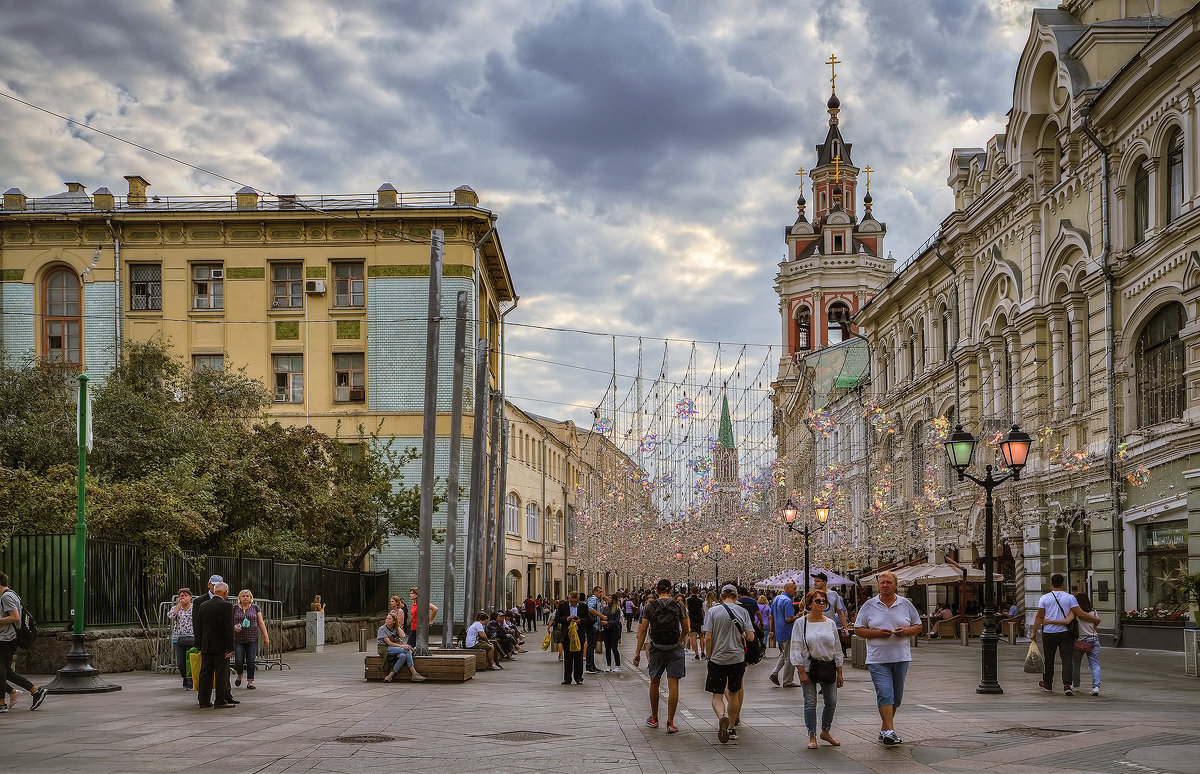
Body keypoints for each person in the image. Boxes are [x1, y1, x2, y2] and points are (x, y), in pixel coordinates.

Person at [853, 570, 922, 745]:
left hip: (901, 656)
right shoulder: (869, 605)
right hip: (877, 658)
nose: (885, 586)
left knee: (896, 697)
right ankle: (890, 731)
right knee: (885, 693)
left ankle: (885, 729)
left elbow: (918, 625)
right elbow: (858, 629)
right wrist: (876, 633)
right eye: (882, 583)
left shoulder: (905, 604)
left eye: (888, 583)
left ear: (895, 585)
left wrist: (906, 631)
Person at [633, 578, 688, 733]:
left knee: (654, 683)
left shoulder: (650, 606)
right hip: (674, 648)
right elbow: (686, 628)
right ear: (671, 591)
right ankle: (670, 723)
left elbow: (643, 631)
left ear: (657, 591)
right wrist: (680, 641)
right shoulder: (679, 605)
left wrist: (638, 653)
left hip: (656, 648)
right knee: (673, 685)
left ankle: (654, 718)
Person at [791, 590, 844, 748]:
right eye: (818, 601)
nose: (821, 604)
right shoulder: (801, 623)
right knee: (810, 703)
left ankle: (825, 731)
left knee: (832, 701)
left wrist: (840, 672)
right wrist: (800, 671)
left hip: (828, 666)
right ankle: (812, 736)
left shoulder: (830, 623)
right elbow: (795, 647)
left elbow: (836, 647)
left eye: (824, 601)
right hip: (808, 667)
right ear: (809, 604)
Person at [702, 584, 754, 744]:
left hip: (717, 658)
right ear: (736, 596)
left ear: (721, 596)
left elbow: (708, 637)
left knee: (717, 695)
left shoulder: (712, 611)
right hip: (737, 658)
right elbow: (751, 637)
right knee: (734, 692)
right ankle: (731, 727)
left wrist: (708, 654)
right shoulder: (743, 611)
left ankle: (721, 716)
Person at [0, 572, 49, 712]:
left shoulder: (6, 597)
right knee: (5, 671)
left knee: (2, 670)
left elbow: (15, 618)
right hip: (8, 638)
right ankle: (34, 691)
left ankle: (2, 703)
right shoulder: (12, 594)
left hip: (7, 639)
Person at [1032, 573, 1088, 695]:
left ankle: (1048, 684)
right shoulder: (1070, 598)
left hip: (1049, 633)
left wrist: (1033, 632)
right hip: (1065, 633)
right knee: (1067, 659)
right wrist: (1095, 620)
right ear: (1063, 583)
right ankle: (1067, 685)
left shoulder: (1044, 598)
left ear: (1051, 584)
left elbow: (1039, 617)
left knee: (1049, 659)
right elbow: (1079, 613)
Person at [196, 582, 236, 709]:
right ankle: (220, 700)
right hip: (221, 646)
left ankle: (204, 701)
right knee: (221, 673)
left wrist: (199, 644)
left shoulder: (203, 605)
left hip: (206, 645)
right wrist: (230, 647)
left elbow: (198, 626)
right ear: (225, 593)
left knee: (205, 673)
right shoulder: (227, 606)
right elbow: (228, 628)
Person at [232, 589, 269, 690]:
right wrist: (234, 627)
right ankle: (239, 675)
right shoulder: (234, 608)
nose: (245, 598)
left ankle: (250, 682)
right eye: (243, 596)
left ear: (251, 598)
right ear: (239, 598)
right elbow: (228, 621)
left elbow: (261, 622)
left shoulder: (255, 608)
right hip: (238, 638)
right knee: (239, 660)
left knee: (251, 660)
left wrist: (266, 636)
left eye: (247, 596)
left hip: (252, 638)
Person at [768, 581, 801, 688]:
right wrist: (798, 616)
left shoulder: (776, 599)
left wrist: (772, 630)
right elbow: (788, 618)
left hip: (779, 631)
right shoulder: (787, 601)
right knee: (789, 658)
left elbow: (771, 616)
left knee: (784, 654)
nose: (795, 591)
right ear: (787, 589)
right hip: (787, 631)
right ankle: (787, 681)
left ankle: (774, 672)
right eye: (794, 589)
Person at [377, 612, 426, 682]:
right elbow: (389, 643)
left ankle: (390, 676)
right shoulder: (382, 629)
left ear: (394, 621)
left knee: (403, 656)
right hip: (384, 648)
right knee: (406, 650)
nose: (386, 620)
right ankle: (414, 674)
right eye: (386, 618)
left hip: (393, 648)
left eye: (389, 619)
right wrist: (403, 646)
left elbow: (402, 635)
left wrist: (397, 626)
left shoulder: (394, 628)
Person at [1070, 592, 1102, 696]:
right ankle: (1096, 686)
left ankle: (1076, 685)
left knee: (1076, 664)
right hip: (1093, 640)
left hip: (1079, 641)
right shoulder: (1094, 612)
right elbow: (1095, 625)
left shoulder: (1075, 613)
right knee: (1094, 664)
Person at [812, 572, 850, 656]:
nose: (815, 583)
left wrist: (845, 628)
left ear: (824, 582)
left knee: (832, 651)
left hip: (830, 627)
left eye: (817, 581)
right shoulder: (812, 595)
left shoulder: (833, 594)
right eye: (814, 581)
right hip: (815, 627)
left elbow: (840, 612)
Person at [166, 587, 196, 689]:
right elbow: (171, 616)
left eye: (186, 596)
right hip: (179, 638)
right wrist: (179, 605)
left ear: (190, 597)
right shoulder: (176, 608)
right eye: (181, 596)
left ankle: (190, 680)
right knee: (181, 662)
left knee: (190, 660)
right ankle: (184, 677)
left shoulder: (194, 608)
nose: (183, 598)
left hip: (191, 637)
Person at [555, 596, 585, 684]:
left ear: (578, 600)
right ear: (569, 599)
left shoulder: (583, 606)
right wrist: (567, 618)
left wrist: (580, 621)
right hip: (567, 634)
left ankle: (578, 678)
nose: (573, 603)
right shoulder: (563, 606)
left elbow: (589, 619)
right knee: (567, 658)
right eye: (571, 601)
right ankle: (567, 678)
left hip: (579, 634)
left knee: (578, 658)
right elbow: (557, 618)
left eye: (575, 602)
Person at [584, 585, 608, 674]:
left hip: (596, 625)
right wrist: (601, 616)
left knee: (593, 646)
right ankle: (589, 666)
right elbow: (590, 609)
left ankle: (592, 665)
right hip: (592, 626)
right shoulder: (593, 599)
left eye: (602, 592)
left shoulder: (597, 600)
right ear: (595, 592)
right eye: (600, 592)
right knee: (591, 646)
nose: (601, 594)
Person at [601, 593, 624, 673]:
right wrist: (602, 622)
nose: (608, 599)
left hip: (614, 630)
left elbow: (617, 621)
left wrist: (607, 622)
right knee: (607, 648)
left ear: (613, 599)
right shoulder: (605, 608)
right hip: (606, 630)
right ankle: (608, 665)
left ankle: (617, 665)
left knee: (614, 648)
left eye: (610, 598)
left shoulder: (616, 609)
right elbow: (601, 616)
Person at [685, 587, 705, 660]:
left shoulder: (688, 600)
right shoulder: (700, 601)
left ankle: (696, 654)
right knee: (701, 637)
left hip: (691, 620)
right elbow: (702, 610)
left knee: (693, 638)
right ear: (698, 592)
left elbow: (687, 611)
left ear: (691, 591)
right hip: (700, 620)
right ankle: (703, 652)